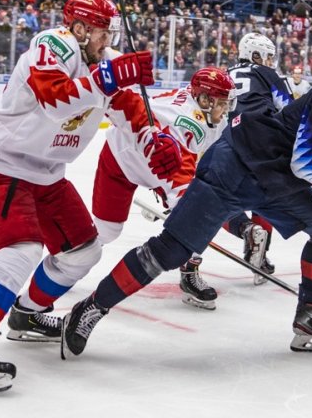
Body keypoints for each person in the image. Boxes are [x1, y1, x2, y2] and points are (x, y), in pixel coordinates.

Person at [60, 53, 312, 359]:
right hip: (236, 165)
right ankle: (91, 308)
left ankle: (310, 316)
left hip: (275, 184)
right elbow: (307, 162)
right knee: (172, 249)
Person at [0, 0, 177, 392]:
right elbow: (54, 98)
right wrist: (110, 77)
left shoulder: (104, 63)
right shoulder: (53, 44)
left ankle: (28, 313)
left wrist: (156, 144)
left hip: (48, 174)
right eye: (105, 31)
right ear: (81, 28)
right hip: (0, 165)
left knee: (84, 250)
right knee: (22, 250)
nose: (110, 40)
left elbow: (133, 116)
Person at [93, 67, 236, 310]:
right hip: (122, 160)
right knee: (107, 231)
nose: (226, 111)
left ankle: (189, 269)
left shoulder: (199, 105)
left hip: (159, 159)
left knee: (203, 203)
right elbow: (183, 189)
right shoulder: (190, 125)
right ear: (204, 100)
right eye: (222, 104)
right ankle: (70, 257)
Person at [223, 31, 293, 284]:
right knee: (266, 197)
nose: (271, 62)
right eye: (267, 56)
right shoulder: (269, 74)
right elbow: (289, 109)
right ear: (255, 55)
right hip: (260, 140)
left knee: (215, 200)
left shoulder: (224, 73)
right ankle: (260, 258)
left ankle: (245, 231)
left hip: (224, 142)